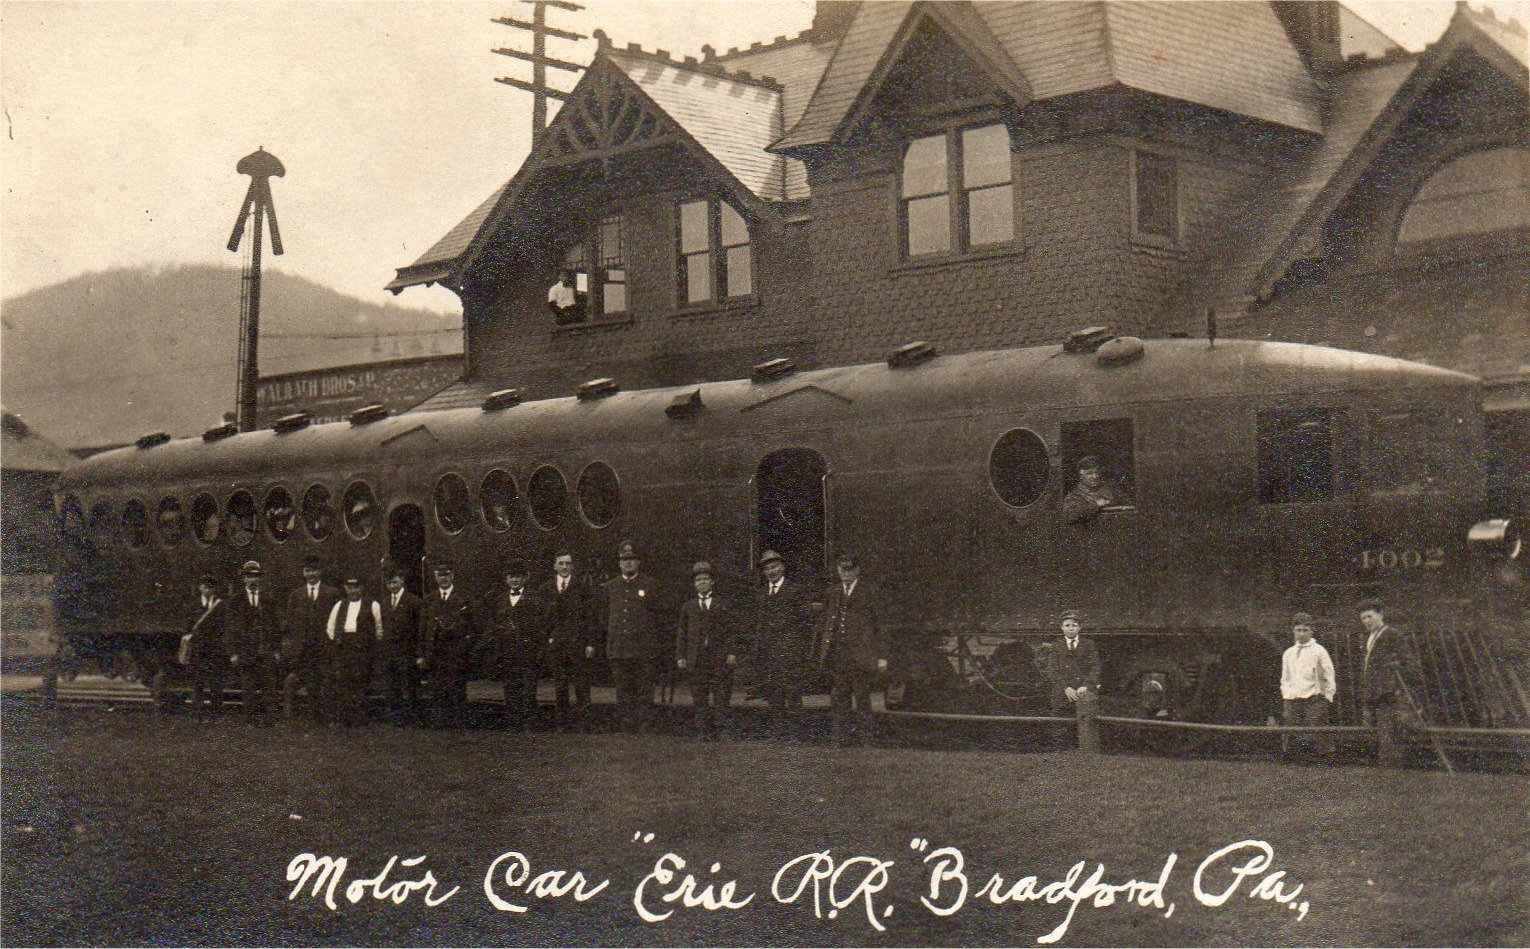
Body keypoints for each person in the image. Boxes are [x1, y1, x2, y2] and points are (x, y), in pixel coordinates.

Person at [815, 554, 887, 745]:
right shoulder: (833, 592)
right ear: (838, 571)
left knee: (862, 698)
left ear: (857, 571)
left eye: (850, 570)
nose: (846, 574)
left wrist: (882, 657)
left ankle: (866, 740)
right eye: (842, 569)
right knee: (839, 698)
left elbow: (880, 626)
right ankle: (840, 739)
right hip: (839, 655)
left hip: (861, 656)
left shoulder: (868, 592)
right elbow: (826, 621)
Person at [596, 541, 661, 733]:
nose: (628, 563)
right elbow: (603, 618)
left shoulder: (650, 585)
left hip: (643, 649)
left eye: (632, 560)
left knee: (644, 690)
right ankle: (626, 726)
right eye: (624, 560)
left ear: (638, 562)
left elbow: (658, 617)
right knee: (623, 690)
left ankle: (644, 726)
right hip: (618, 649)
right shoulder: (609, 587)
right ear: (619, 563)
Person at [752, 549, 813, 740]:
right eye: (767, 568)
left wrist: (796, 647)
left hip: (790, 651)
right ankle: (778, 732)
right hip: (770, 652)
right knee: (774, 693)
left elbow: (805, 622)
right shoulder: (762, 594)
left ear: (783, 567)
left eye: (774, 566)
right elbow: (760, 624)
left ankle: (797, 734)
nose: (771, 571)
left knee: (792, 692)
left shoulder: (795, 590)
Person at [675, 561, 738, 740]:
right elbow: (682, 633)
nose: (702, 582)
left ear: (712, 582)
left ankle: (723, 729)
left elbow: (731, 631)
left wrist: (732, 652)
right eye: (698, 580)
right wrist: (681, 655)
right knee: (699, 696)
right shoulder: (688, 607)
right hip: (696, 657)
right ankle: (703, 730)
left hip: (718, 657)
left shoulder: (723, 604)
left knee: (721, 695)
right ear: (694, 584)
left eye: (705, 579)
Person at [483, 559, 545, 729]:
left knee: (528, 690)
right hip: (507, 652)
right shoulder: (499, 600)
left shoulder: (535, 599)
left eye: (518, 577)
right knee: (510, 689)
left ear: (525, 579)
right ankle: (513, 725)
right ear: (506, 579)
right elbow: (494, 627)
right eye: (511, 577)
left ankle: (528, 726)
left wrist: (537, 651)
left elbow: (540, 627)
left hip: (527, 652)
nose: (514, 580)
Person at [1360, 600, 1421, 768]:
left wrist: (1397, 675)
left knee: (1393, 734)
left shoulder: (1392, 635)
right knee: (1384, 734)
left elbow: (1409, 663)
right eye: (1363, 618)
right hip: (1376, 694)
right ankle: (1389, 770)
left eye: (1370, 616)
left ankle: (1394, 770)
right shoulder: (1369, 638)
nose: (1366, 621)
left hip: (1392, 693)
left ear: (1380, 615)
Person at [420, 559, 480, 728]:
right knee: (437, 689)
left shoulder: (463, 599)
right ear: (435, 577)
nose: (443, 578)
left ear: (452, 576)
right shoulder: (430, 599)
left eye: (446, 575)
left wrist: (465, 649)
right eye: (440, 575)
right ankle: (440, 725)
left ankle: (458, 724)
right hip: (436, 652)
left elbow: (472, 627)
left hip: (455, 652)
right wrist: (422, 653)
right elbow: (423, 628)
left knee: (457, 689)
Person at [282, 555, 341, 722]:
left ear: (320, 572)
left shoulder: (332, 593)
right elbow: (291, 622)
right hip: (304, 649)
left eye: (314, 570)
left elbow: (338, 620)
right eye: (308, 571)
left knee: (327, 682)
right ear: (303, 573)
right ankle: (313, 717)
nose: (311, 574)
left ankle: (328, 718)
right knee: (310, 683)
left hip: (324, 648)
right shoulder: (296, 595)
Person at [226, 560, 283, 724]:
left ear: (260, 579)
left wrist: (277, 650)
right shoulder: (235, 601)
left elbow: (275, 627)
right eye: (249, 576)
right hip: (245, 651)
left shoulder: (268, 600)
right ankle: (249, 719)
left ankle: (269, 719)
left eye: (255, 576)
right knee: (248, 687)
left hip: (265, 650)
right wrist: (233, 653)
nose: (252, 580)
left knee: (269, 686)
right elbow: (230, 629)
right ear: (244, 579)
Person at [325, 575, 383, 726]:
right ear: (345, 588)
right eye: (349, 587)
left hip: (363, 650)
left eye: (356, 587)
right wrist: (338, 641)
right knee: (344, 683)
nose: (353, 590)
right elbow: (330, 627)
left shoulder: (373, 605)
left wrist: (370, 645)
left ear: (361, 588)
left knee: (361, 683)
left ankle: (361, 719)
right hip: (344, 648)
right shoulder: (339, 605)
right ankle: (345, 719)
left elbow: (379, 628)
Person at [1280, 612, 1336, 758]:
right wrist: (1286, 694)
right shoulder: (1289, 653)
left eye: (1305, 630)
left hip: (1314, 697)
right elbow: (1285, 677)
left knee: (1318, 728)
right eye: (1298, 630)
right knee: (1291, 728)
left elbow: (1329, 675)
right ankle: (1291, 758)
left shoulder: (1319, 651)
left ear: (1312, 631)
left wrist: (1327, 697)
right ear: (1293, 631)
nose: (1302, 634)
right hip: (1293, 697)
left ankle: (1324, 758)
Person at [379, 563, 424, 726]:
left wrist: (419, 653)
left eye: (395, 582)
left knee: (409, 685)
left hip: (407, 651)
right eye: (390, 583)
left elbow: (420, 629)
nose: (392, 586)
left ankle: (412, 718)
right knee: (392, 686)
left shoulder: (414, 601)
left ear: (402, 581)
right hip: (390, 652)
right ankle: (395, 719)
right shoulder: (384, 602)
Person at [184, 575, 229, 719]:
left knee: (216, 682)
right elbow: (188, 628)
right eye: (205, 586)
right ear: (200, 588)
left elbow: (225, 626)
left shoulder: (221, 605)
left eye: (211, 587)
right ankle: (197, 712)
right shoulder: (192, 606)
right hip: (198, 649)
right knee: (198, 682)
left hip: (215, 649)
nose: (208, 589)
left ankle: (216, 712)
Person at [1061, 456, 1130, 524]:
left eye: (1096, 472)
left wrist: (1110, 502)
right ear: (1081, 476)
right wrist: (1096, 505)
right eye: (1089, 473)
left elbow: (1127, 504)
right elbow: (1069, 516)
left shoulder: (1111, 490)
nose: (1095, 476)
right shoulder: (1074, 495)